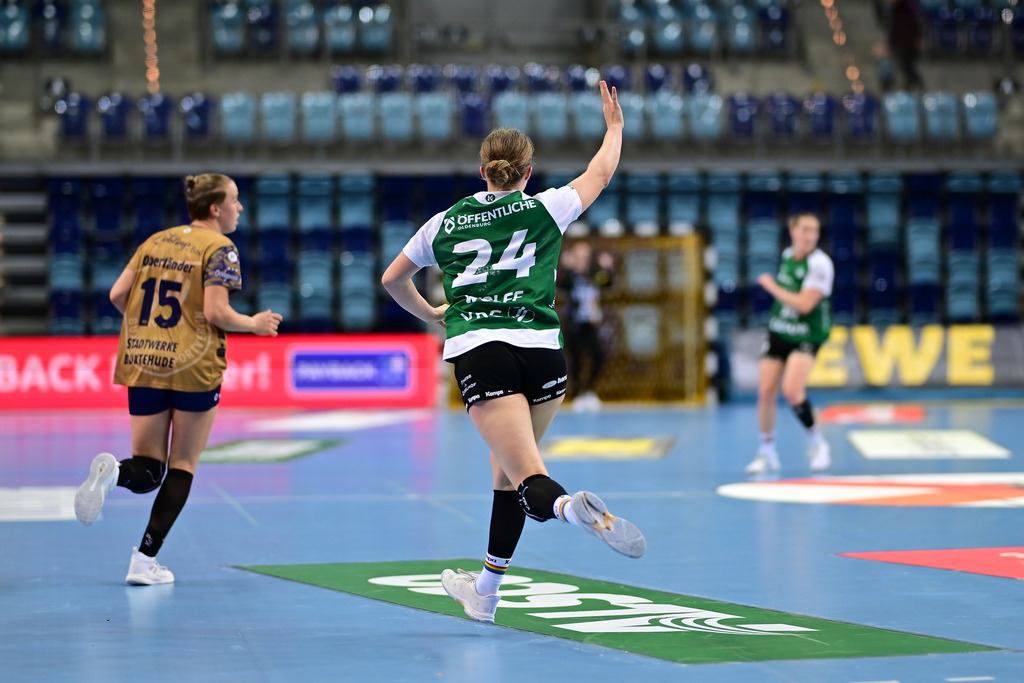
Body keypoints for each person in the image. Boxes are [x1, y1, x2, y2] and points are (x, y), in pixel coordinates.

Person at [381, 81, 646, 624]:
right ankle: (485, 593)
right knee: (507, 475)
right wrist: (615, 128)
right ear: (528, 172)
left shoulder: (445, 222)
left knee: (527, 478)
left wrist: (431, 313)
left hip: (484, 354)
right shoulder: (547, 208)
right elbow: (600, 173)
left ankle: (569, 508)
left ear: (483, 170)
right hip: (545, 356)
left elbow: (392, 279)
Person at [74, 173, 282, 585]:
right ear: (215, 208)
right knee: (182, 464)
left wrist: (152, 330)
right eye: (235, 200)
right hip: (194, 364)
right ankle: (143, 561)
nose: (239, 208)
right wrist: (254, 323)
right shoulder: (220, 248)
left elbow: (117, 295)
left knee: (148, 468)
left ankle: (115, 473)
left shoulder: (154, 241)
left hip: (143, 358)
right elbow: (216, 312)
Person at [746, 212, 834, 475]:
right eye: (805, 229)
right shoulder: (787, 256)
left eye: (814, 231)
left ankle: (817, 443)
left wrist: (770, 286)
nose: (810, 236)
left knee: (792, 391)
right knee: (765, 392)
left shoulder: (820, 264)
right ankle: (767, 451)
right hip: (780, 330)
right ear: (793, 231)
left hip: (807, 334)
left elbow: (805, 305)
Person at [558, 240, 614, 411]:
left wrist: (608, 268)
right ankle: (578, 394)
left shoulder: (594, 273)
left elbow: (607, 283)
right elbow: (561, 284)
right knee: (576, 359)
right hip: (575, 323)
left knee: (599, 355)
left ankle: (589, 390)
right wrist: (567, 267)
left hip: (593, 321)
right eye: (579, 254)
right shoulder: (570, 275)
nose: (583, 257)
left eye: (585, 254)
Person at [887, 0, 924, 91]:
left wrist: (918, 37)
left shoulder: (908, 6)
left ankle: (917, 83)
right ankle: (909, 85)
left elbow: (917, 22)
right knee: (904, 65)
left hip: (910, 41)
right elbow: (894, 28)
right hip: (901, 42)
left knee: (908, 65)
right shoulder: (895, 9)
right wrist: (891, 43)